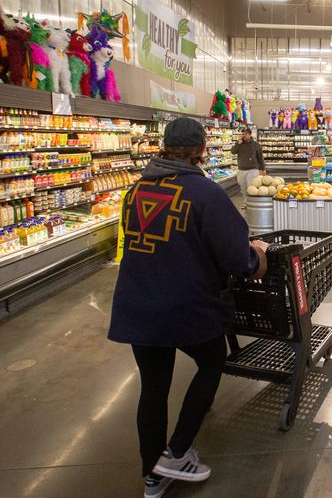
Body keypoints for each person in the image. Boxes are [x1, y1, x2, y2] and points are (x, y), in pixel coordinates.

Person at [109, 117, 269, 498]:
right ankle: (178, 451)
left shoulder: (134, 192)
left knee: (153, 387)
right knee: (212, 362)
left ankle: (153, 475)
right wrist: (256, 256)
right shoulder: (205, 194)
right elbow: (236, 259)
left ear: (163, 148)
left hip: (138, 303)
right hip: (184, 304)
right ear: (201, 151)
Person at [231, 127, 266, 208]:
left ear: (250, 135)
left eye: (246, 134)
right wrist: (238, 143)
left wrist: (263, 169)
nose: (244, 136)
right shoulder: (239, 144)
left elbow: (260, 157)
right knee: (243, 188)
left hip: (253, 170)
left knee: (252, 188)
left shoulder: (256, 145)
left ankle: (253, 204)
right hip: (241, 170)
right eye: (243, 134)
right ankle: (247, 203)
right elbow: (233, 151)